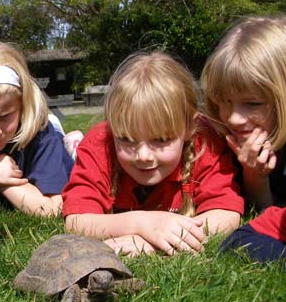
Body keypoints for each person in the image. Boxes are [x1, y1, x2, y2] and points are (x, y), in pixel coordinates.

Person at [62, 51, 244, 257]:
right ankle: (74, 146)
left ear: (188, 128)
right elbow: (77, 220)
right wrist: (141, 224)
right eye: (127, 139)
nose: (143, 156)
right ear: (113, 128)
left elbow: (226, 214)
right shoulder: (99, 143)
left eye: (160, 140)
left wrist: (162, 238)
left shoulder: (206, 143)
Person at [201, 16, 286, 263]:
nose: (234, 118)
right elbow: (261, 215)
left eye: (252, 103)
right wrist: (254, 176)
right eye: (224, 101)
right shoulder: (220, 139)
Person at [0, 39, 74, 216]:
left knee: (64, 149)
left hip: (48, 137)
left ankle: (71, 145)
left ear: (23, 107)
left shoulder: (41, 137)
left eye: (5, 116)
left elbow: (53, 208)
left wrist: (3, 177)